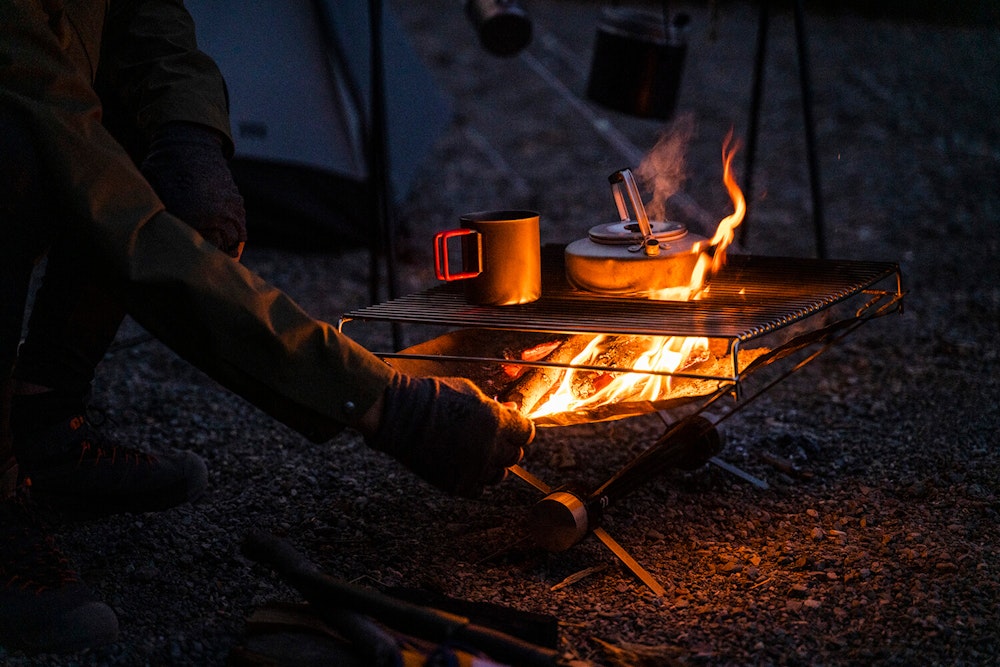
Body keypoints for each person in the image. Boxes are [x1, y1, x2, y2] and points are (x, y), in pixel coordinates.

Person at [0, 0, 534, 654]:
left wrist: (190, 132)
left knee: (142, 123)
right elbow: (110, 209)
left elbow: (147, 17)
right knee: (17, 152)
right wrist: (382, 404)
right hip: (20, 121)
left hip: (44, 108)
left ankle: (44, 418)